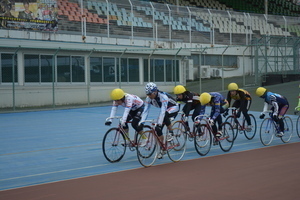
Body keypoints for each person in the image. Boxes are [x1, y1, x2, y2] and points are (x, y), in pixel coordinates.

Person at [139, 82, 179, 159]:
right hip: (165, 110)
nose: (149, 96)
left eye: (150, 94)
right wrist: (142, 122)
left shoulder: (162, 96)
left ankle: (171, 133)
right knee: (158, 129)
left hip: (173, 108)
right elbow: (146, 111)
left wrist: (159, 123)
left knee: (164, 116)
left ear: (155, 92)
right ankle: (162, 149)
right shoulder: (148, 98)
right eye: (147, 94)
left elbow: (163, 111)